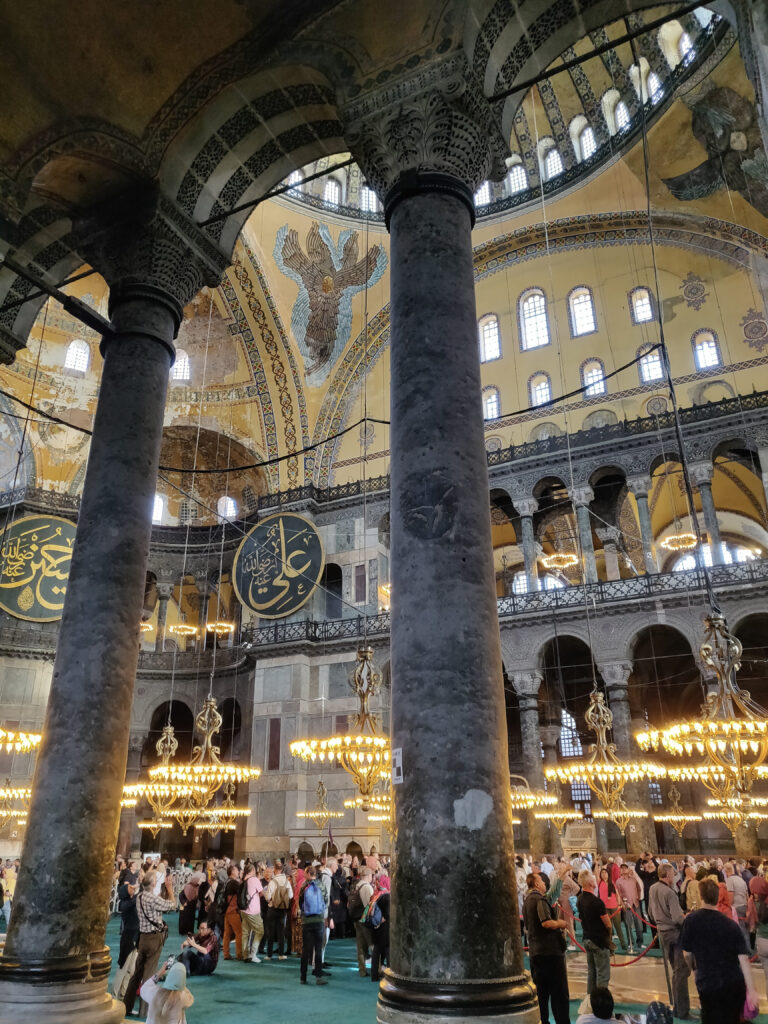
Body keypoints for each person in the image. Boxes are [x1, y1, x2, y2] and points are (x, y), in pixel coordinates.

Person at [680, 877, 758, 1024]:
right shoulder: (731, 925)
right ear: (718, 897)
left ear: (701, 896)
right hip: (733, 983)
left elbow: (687, 954)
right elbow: (743, 960)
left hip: (708, 983)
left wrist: (694, 969)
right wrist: (752, 990)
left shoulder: (691, 921)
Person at [123, 873, 177, 1017]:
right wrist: (170, 889)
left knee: (136, 975)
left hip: (143, 938)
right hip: (154, 939)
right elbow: (172, 905)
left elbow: (155, 902)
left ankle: (126, 1006)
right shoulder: (153, 899)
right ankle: (145, 1012)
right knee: (149, 976)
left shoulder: (140, 896)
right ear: (153, 884)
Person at [523, 872, 570, 1024]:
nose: (544, 883)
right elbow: (546, 923)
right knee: (559, 995)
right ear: (536, 884)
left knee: (541, 995)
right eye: (542, 881)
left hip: (535, 953)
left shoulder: (526, 901)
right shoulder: (539, 899)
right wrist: (561, 924)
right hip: (551, 953)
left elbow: (528, 928)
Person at [648, 863, 691, 1021]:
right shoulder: (670, 892)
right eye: (672, 874)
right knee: (681, 972)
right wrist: (687, 916)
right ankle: (683, 1011)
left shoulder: (652, 889)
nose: (674, 876)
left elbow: (650, 913)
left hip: (662, 933)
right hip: (675, 934)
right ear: (666, 875)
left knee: (675, 971)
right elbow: (678, 918)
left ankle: (677, 1007)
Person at [577, 870, 612, 994]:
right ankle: (600, 1003)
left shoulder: (580, 899)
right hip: (599, 941)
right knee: (603, 974)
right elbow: (607, 923)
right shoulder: (597, 902)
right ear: (591, 883)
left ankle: (590, 1001)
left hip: (587, 938)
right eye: (593, 878)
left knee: (592, 973)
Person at [299, 865, 329, 986]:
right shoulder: (321, 885)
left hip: (306, 921)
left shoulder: (304, 886)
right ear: (315, 874)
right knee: (318, 949)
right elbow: (326, 900)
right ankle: (318, 977)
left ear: (307, 874)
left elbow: (300, 901)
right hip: (319, 921)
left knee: (305, 950)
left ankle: (303, 977)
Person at [264, 860, 293, 959]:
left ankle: (269, 955)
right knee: (281, 933)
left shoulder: (272, 882)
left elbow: (267, 897)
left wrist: (270, 900)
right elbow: (291, 895)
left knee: (271, 932)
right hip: (282, 910)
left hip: (272, 909)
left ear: (275, 870)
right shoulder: (286, 881)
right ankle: (281, 954)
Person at [351, 866, 375, 977]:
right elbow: (369, 905)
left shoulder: (356, 885)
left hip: (356, 919)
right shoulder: (367, 887)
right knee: (372, 944)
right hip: (365, 919)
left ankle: (362, 970)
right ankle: (377, 969)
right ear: (369, 876)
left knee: (360, 946)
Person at [117, 863, 140, 969]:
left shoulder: (128, 901)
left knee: (131, 966)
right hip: (129, 936)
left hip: (134, 934)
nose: (132, 887)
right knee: (124, 966)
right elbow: (137, 898)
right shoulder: (125, 903)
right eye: (130, 887)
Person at [598, 867, 627, 952]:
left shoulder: (612, 883)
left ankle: (623, 944)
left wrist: (619, 904)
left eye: (605, 873)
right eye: (602, 873)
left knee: (618, 927)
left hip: (614, 907)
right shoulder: (600, 883)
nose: (604, 874)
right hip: (605, 908)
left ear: (608, 874)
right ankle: (610, 947)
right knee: (609, 927)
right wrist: (596, 864)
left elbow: (617, 894)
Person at [239, 862, 264, 962]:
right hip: (253, 910)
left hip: (243, 909)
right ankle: (253, 954)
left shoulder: (243, 880)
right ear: (253, 870)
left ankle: (245, 955)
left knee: (245, 933)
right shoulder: (254, 880)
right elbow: (261, 893)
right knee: (260, 931)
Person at [615, 863, 643, 951]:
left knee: (639, 924)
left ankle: (640, 942)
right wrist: (621, 903)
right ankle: (631, 942)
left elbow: (639, 888)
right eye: (622, 868)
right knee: (628, 924)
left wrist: (638, 897)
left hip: (635, 903)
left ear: (628, 869)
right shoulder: (619, 881)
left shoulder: (633, 879)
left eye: (625, 868)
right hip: (626, 905)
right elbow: (618, 893)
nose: (623, 870)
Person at [370, 873, 390, 983]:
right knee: (388, 952)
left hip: (375, 927)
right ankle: (391, 976)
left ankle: (374, 975)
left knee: (376, 952)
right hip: (385, 929)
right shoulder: (387, 896)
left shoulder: (375, 894)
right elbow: (387, 915)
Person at [221, 864, 244, 961]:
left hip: (226, 911)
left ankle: (226, 954)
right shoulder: (234, 883)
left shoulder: (226, 882)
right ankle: (239, 954)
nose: (238, 871)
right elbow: (241, 893)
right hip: (233, 911)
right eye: (236, 870)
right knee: (239, 933)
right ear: (232, 872)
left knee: (227, 934)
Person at [724, 861, 750, 944]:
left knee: (741, 931)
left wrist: (728, 907)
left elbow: (730, 897)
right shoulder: (741, 879)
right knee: (745, 930)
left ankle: (745, 952)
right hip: (744, 905)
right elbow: (747, 895)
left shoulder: (729, 880)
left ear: (726, 871)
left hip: (736, 907)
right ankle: (748, 950)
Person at [177, 872, 201, 936]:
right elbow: (181, 895)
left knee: (191, 919)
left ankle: (190, 931)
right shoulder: (188, 886)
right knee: (184, 918)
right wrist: (183, 902)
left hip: (192, 906)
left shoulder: (197, 888)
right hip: (185, 905)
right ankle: (183, 931)